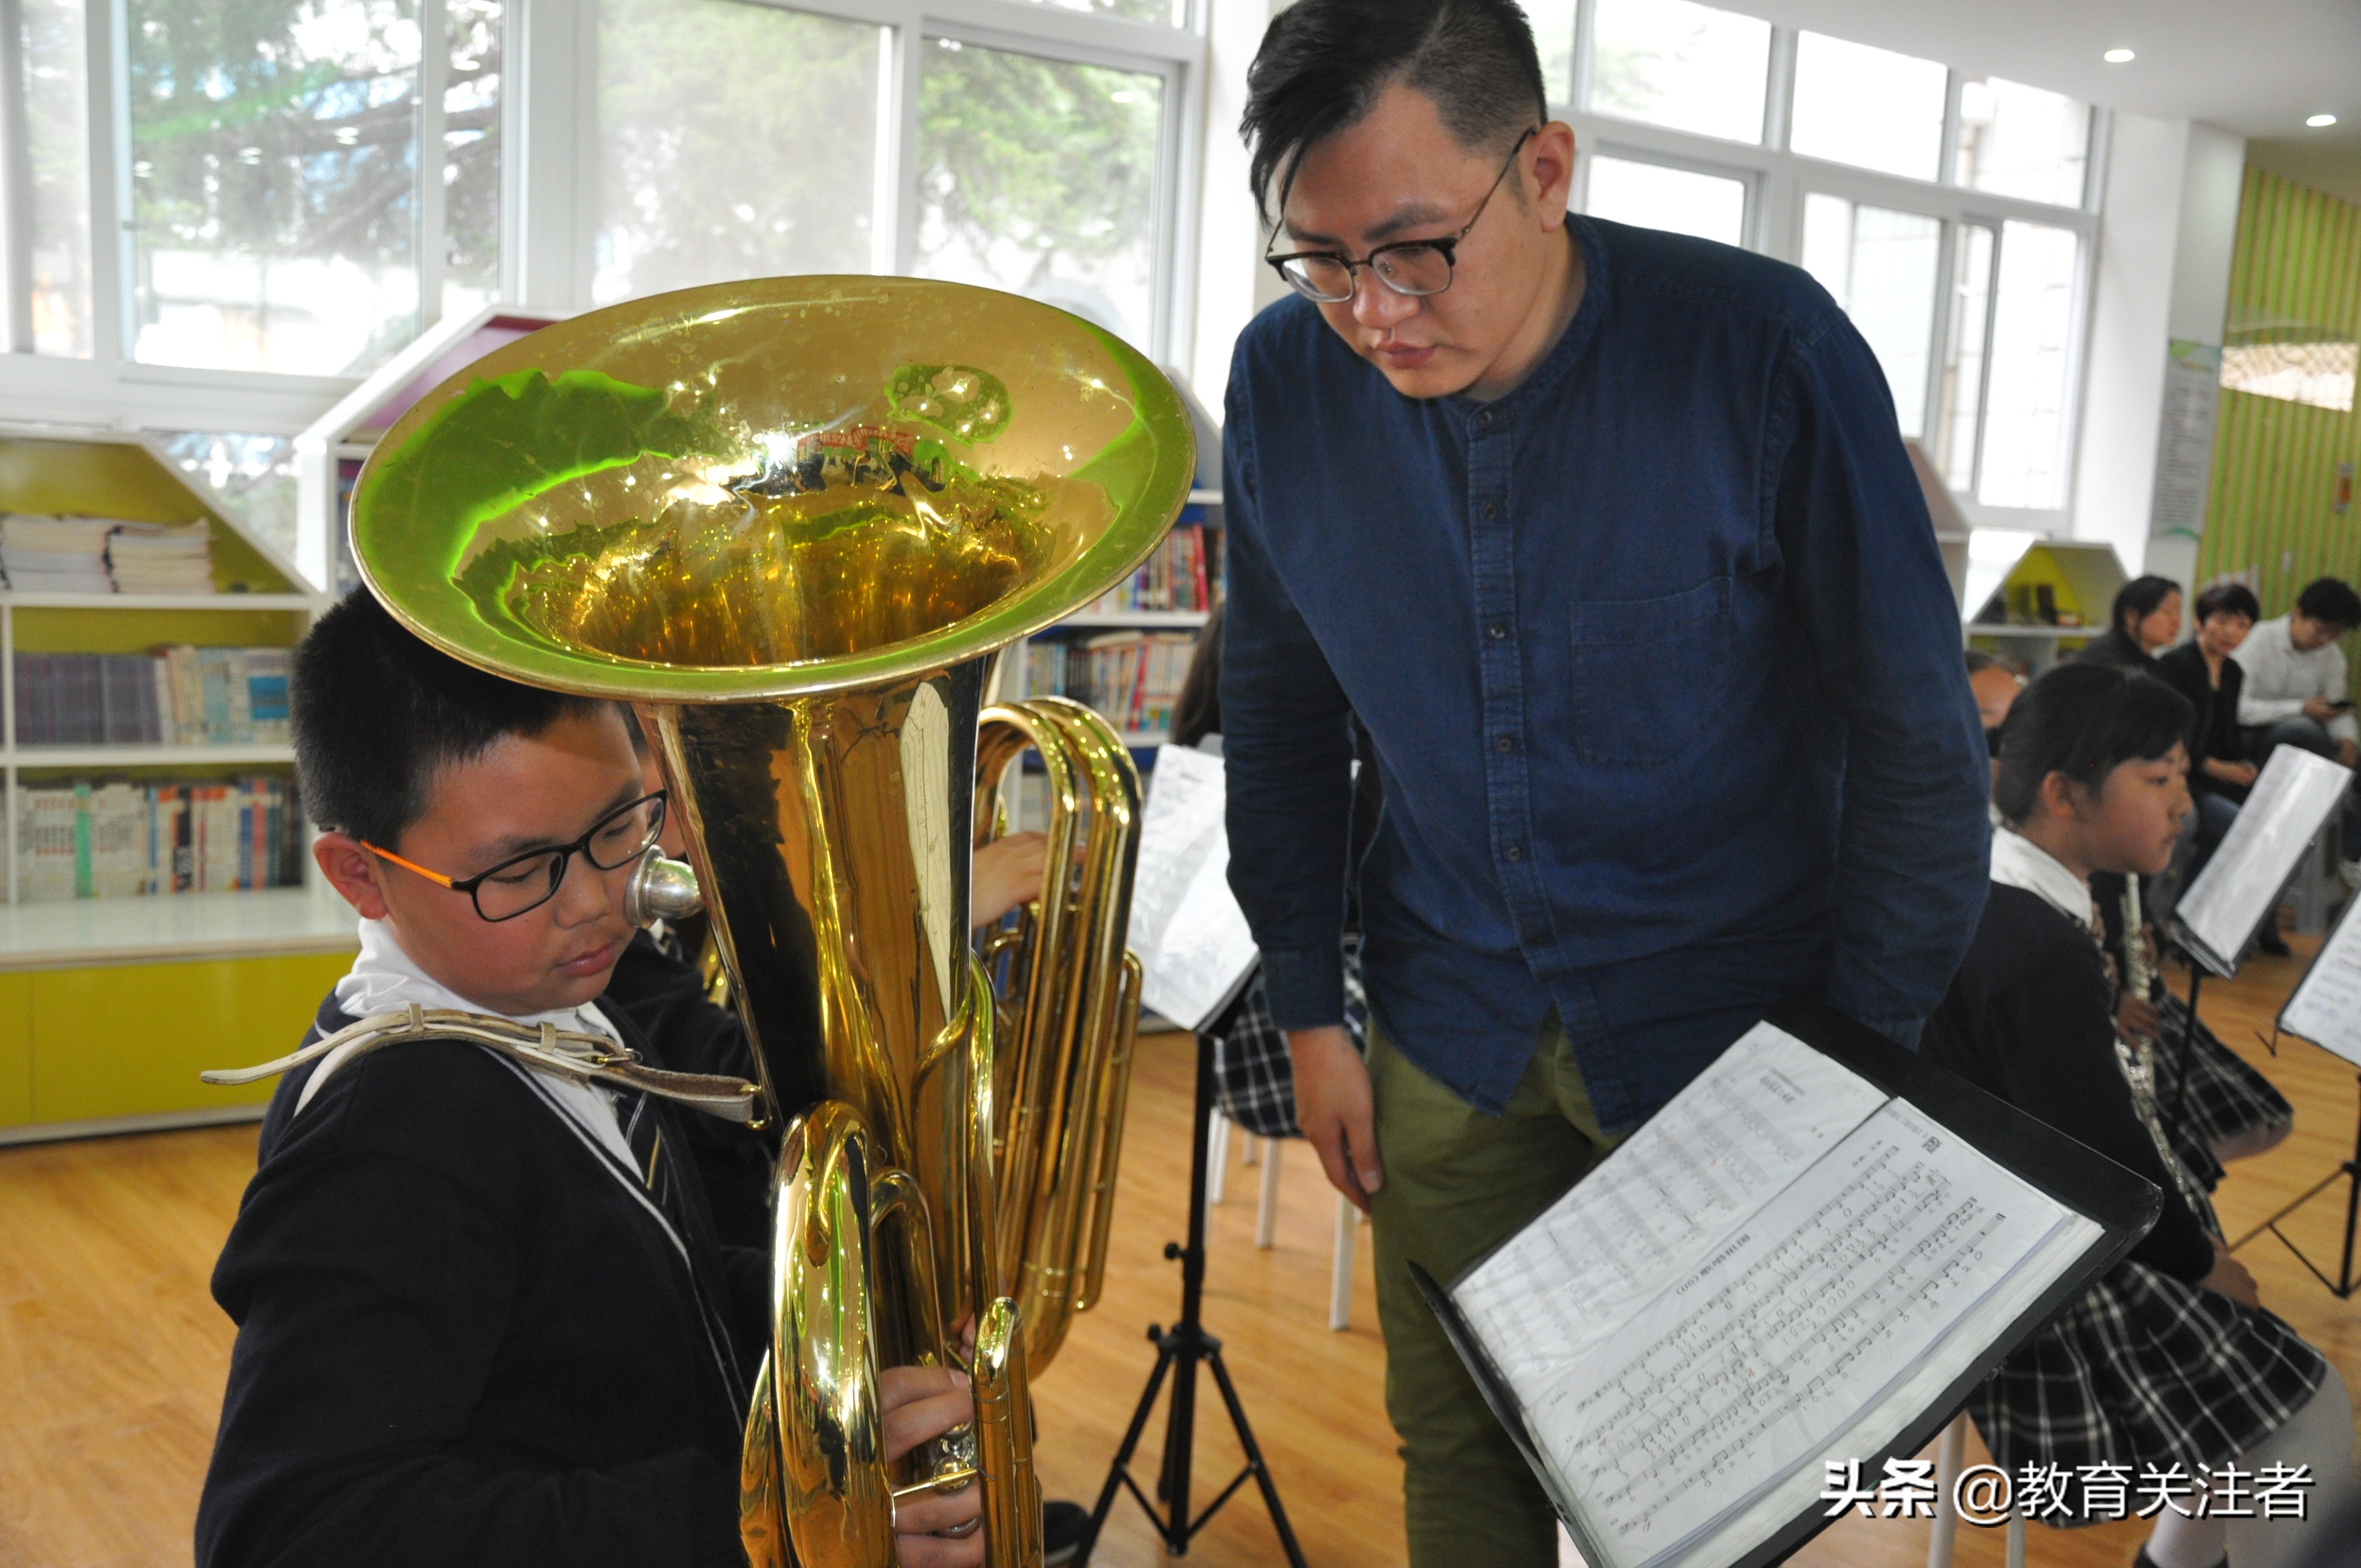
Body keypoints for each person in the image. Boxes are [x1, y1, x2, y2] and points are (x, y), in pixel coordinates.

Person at [1218, 2, 1989, 1560]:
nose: (1372, 310)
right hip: (1450, 1020)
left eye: (1415, 247)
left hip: (1745, 1029)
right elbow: (1282, 715)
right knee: (1463, 1446)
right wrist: (1309, 1007)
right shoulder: (1288, 385)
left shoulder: (1762, 351)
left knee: (1743, 1483)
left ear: (1546, 168)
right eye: (1319, 256)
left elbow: (1917, 736)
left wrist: (1854, 1057)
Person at [197, 592, 984, 1568]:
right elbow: (285, 1531)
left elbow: (623, 1287)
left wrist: (844, 1335)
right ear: (360, 875)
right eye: (520, 870)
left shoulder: (538, 1000)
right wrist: (772, 1515)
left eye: (620, 826)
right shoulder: (388, 1134)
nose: (602, 903)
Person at [1927, 663, 2351, 1568]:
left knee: (2234, 1428)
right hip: (2030, 1273)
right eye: (2156, 780)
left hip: (2022, 1224)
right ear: (2062, 793)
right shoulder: (2033, 944)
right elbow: (2102, 1154)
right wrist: (2200, 1260)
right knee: (2304, 1405)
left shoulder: (2005, 886)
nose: (2181, 803)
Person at [2237, 576, 2361, 881]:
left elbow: (2336, 709)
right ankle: (2334, 821)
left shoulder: (2331, 657)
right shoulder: (2259, 639)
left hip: (2310, 744)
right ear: (2299, 613)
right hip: (2252, 739)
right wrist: (2300, 708)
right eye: (2321, 631)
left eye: (2335, 635)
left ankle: (2351, 853)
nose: (2325, 641)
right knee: (2301, 729)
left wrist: (2348, 741)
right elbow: (2238, 709)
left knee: (2344, 753)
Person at [2156, 581, 2262, 870]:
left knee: (2266, 820)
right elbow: (2169, 735)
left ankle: (2195, 904)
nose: (2231, 633)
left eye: (2242, 625)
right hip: (2182, 774)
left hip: (2217, 775)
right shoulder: (2175, 665)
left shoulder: (2233, 672)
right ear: (2200, 622)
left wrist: (2240, 765)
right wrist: (2214, 767)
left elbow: (2228, 731)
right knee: (2235, 824)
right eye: (2223, 621)